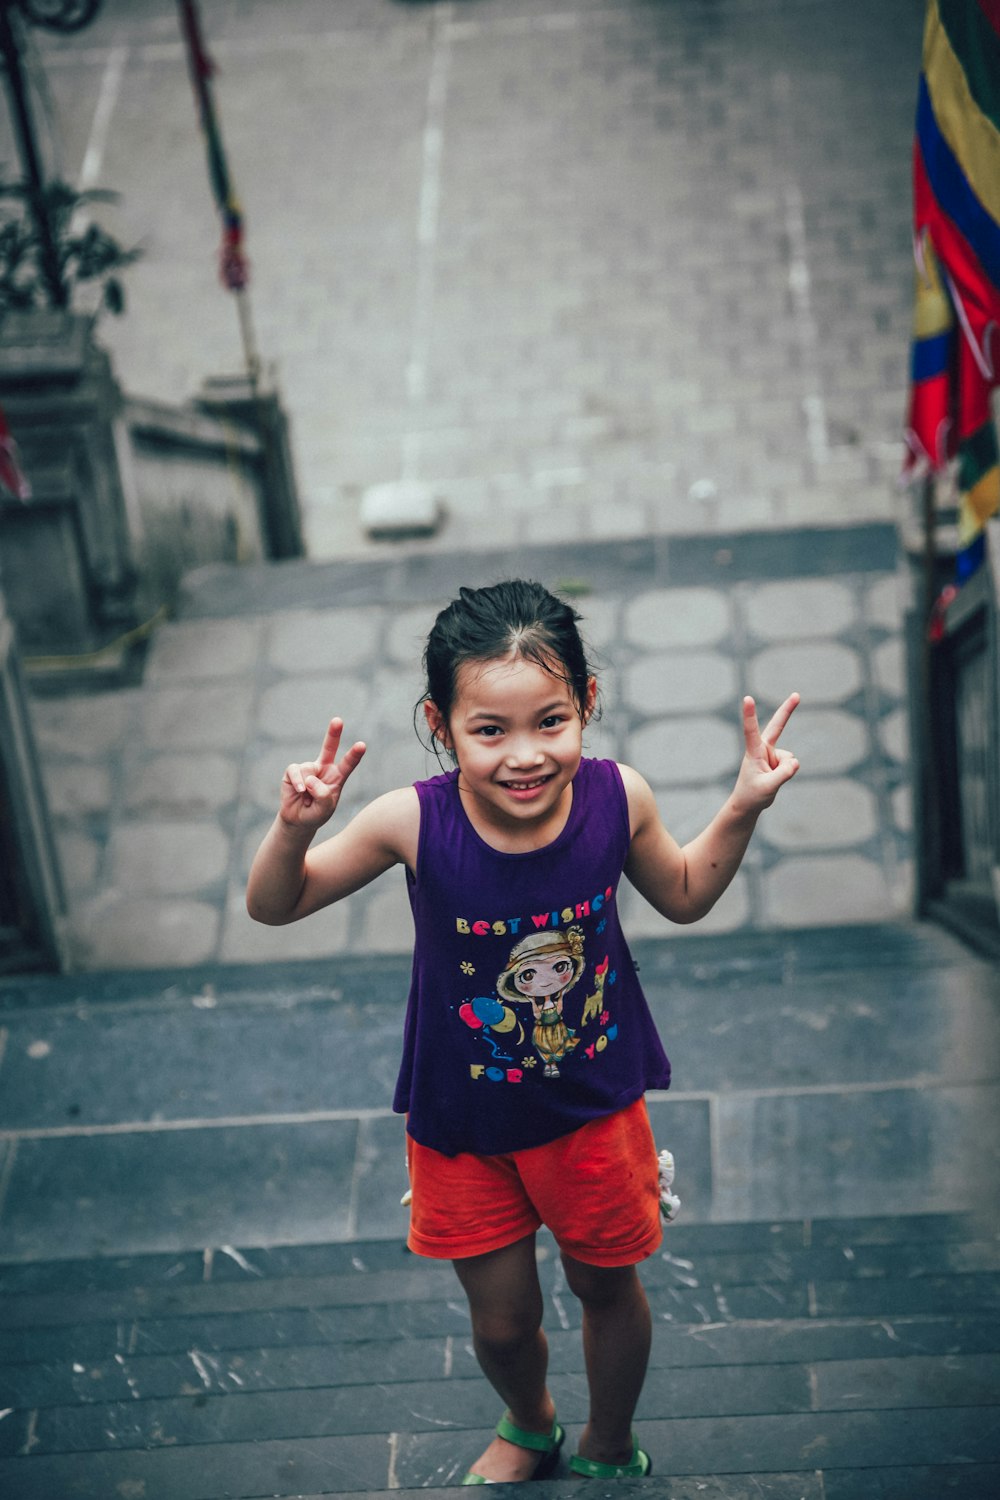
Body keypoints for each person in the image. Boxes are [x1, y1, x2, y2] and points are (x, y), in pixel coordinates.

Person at [246, 579, 799, 1484]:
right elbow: (278, 906)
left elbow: (688, 894)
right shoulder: (410, 821)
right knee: (501, 1318)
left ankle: (609, 1439)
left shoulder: (619, 800)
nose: (524, 756)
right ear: (441, 724)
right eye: (488, 730)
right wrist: (291, 832)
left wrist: (741, 807)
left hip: (593, 1115)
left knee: (604, 1286)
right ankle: (532, 1421)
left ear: (588, 703)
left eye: (550, 721)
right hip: (463, 1129)